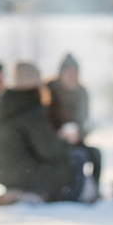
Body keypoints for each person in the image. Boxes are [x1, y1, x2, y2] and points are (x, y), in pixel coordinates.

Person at [0, 61, 94, 203]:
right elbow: (48, 151)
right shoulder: (32, 109)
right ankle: (70, 201)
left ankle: (24, 194)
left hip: (1, 172)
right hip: (23, 173)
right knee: (76, 159)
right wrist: (67, 141)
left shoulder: (4, 105)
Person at [46, 52, 101, 196]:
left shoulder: (82, 92)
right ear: (61, 73)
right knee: (77, 157)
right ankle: (72, 196)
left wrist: (79, 133)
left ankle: (95, 191)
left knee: (95, 154)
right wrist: (58, 134)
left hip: (75, 140)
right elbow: (42, 120)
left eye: (74, 73)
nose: (71, 76)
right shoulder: (49, 89)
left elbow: (84, 120)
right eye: (68, 72)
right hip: (52, 141)